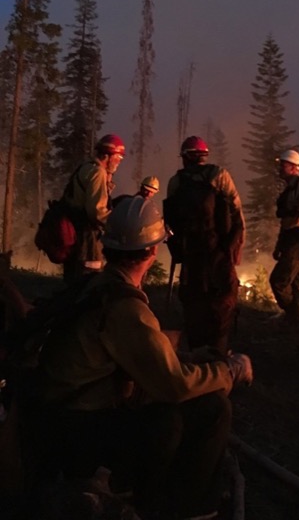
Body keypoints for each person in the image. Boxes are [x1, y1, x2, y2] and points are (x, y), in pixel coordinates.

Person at [34, 195, 252, 520]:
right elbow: (173, 385)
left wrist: (193, 356)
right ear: (152, 250)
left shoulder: (99, 286)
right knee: (210, 408)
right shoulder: (125, 307)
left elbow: (141, 354)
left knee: (167, 415)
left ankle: (151, 494)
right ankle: (190, 509)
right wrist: (229, 371)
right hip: (79, 437)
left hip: (60, 423)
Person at [165, 136, 245, 355]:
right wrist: (236, 246)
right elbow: (236, 212)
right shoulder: (219, 176)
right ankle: (219, 350)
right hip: (218, 250)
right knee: (222, 298)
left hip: (191, 253)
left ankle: (196, 350)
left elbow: (169, 221)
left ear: (185, 157)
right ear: (203, 155)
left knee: (193, 300)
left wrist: (176, 251)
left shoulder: (176, 182)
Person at [61, 134, 126, 284]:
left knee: (73, 279)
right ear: (108, 156)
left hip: (75, 233)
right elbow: (97, 212)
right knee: (89, 276)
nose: (119, 162)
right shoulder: (98, 173)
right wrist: (117, 226)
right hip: (87, 237)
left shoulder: (86, 167)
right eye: (118, 157)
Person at [269, 149, 299, 335]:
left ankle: (294, 317)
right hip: (290, 237)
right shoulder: (289, 188)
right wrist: (279, 245)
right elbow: (285, 221)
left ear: (294, 167)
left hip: (298, 237)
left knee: (279, 281)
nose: (280, 168)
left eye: (283, 164)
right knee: (298, 285)